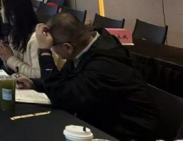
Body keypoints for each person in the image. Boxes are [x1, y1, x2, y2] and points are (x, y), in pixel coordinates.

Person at [17, 13, 159, 140]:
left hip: (126, 133)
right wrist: (35, 84)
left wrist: (44, 52)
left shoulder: (103, 64)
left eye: (53, 47)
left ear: (67, 47)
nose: (53, 51)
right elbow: (66, 82)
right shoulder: (87, 47)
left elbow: (61, 97)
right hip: (101, 123)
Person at [0, 0, 46, 78]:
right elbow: (13, 69)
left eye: (2, 7)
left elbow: (38, 75)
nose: (0, 11)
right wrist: (3, 54)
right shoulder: (14, 34)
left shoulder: (36, 39)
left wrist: (9, 58)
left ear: (12, 12)